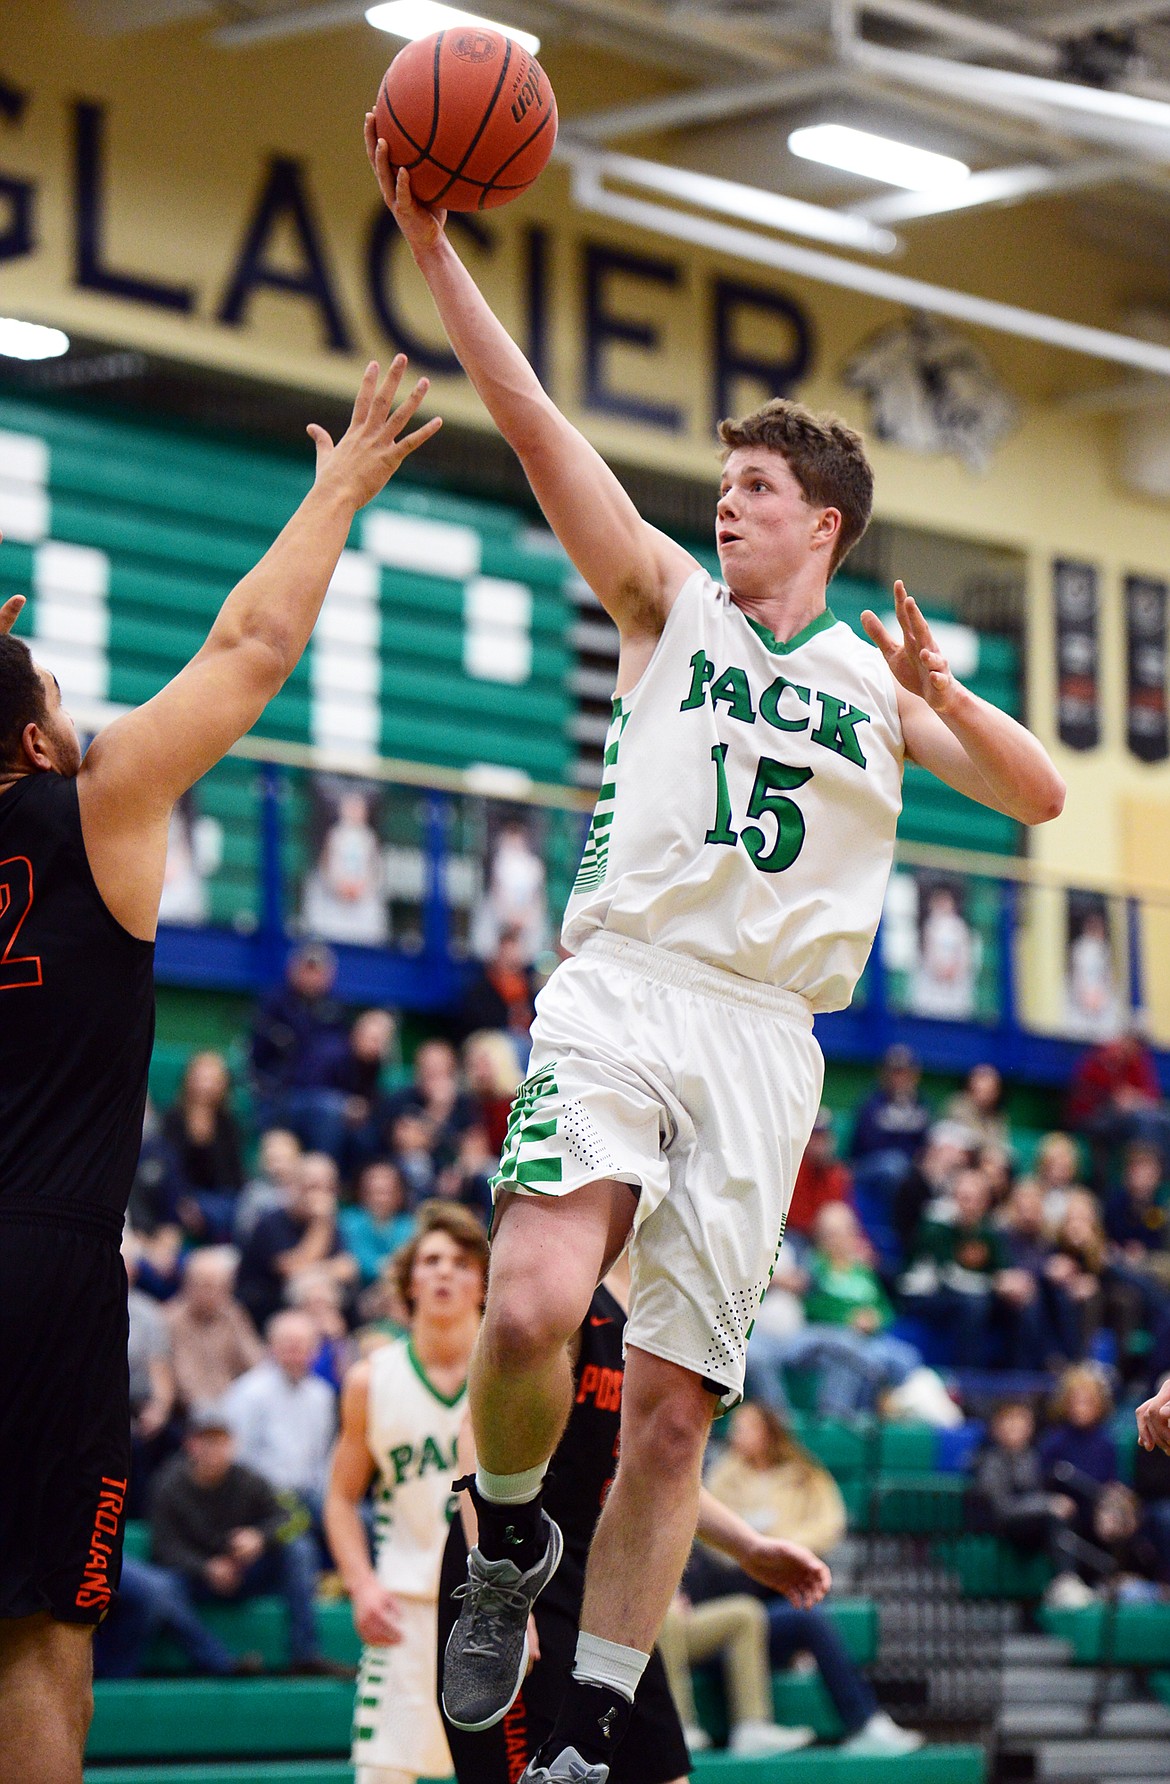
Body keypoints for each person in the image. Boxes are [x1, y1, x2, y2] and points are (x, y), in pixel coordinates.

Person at [365, 123, 1065, 1784]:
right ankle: (513, 1531)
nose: (725, 504)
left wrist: (944, 687)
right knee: (533, 1303)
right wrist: (442, 257)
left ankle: (596, 1716)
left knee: (678, 1407)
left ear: (820, 521)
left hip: (768, 1036)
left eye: (755, 488)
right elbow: (538, 428)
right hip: (627, 985)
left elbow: (1037, 792)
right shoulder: (670, 602)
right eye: (724, 486)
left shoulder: (884, 689)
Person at [0, 364, 434, 1774]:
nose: (75, 709)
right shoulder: (96, 806)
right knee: (39, 1638)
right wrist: (337, 489)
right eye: (54, 692)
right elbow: (248, 648)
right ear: (28, 739)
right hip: (42, 1266)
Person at [437, 1250, 831, 1784]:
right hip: (527, 1570)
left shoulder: (664, 1310)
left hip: (612, 1575)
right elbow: (477, 1435)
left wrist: (749, 1547)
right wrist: (498, 1586)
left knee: (662, 1770)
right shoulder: (577, 1296)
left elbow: (661, 1475)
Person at [324, 1203, 489, 1784]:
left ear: (484, 1283)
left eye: (463, 1263)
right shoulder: (371, 1380)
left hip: (493, 1612)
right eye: (432, 1261)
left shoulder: (513, 1377)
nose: (445, 1272)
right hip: (404, 1608)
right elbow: (341, 1498)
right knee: (383, 1775)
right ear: (409, 1281)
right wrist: (362, 1584)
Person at [701, 1403, 923, 1754]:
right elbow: (710, 1544)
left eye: (746, 1427)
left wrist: (782, 1544)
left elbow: (829, 1522)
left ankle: (861, 1721)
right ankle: (861, 1719)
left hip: (780, 1583)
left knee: (807, 1593)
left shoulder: (805, 1472)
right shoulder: (719, 1477)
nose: (735, 1435)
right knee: (793, 1605)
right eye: (736, 1427)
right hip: (735, 1594)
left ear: (768, 1432)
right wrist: (754, 1548)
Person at [149, 1406, 345, 1678]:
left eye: (220, 1441)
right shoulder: (168, 1485)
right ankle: (221, 1664)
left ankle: (305, 1655)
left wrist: (259, 1538)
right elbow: (163, 1548)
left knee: (298, 1550)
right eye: (206, 1441)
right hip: (196, 1580)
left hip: (246, 1573)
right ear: (191, 1445)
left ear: (232, 1444)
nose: (213, 1449)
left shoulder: (248, 1480)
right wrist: (205, 1568)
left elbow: (292, 1517)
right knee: (160, 1589)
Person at [222, 1309, 338, 1526]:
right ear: (271, 1348)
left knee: (361, 1522)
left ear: (315, 1351)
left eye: (302, 1347)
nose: (295, 1355)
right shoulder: (248, 1392)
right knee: (301, 1549)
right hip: (264, 1499)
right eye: (288, 1347)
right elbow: (237, 1458)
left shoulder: (322, 1396)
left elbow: (324, 1457)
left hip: (312, 1494)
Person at [236, 1151, 357, 1332]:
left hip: (317, 1300)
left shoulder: (332, 1222)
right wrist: (321, 1224)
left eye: (328, 1189)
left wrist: (319, 1268)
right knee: (314, 1292)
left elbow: (347, 1268)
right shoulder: (270, 1223)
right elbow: (291, 1270)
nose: (321, 1196)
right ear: (293, 1187)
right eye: (312, 1187)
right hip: (268, 1307)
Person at [166, 1246, 264, 1414]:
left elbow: (255, 1362)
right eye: (206, 1286)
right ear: (188, 1285)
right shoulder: (172, 1321)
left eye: (221, 1287)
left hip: (233, 1404)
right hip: (190, 1411)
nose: (214, 1294)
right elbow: (185, 1381)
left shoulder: (233, 1314)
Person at [162, 1051, 245, 1243]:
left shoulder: (228, 1123)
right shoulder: (173, 1119)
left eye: (213, 1079)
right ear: (188, 1080)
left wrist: (207, 1137)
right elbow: (169, 1170)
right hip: (184, 1196)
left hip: (223, 1198)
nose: (206, 1086)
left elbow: (231, 1178)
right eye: (201, 1078)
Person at [339, 1160, 416, 1288]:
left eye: (386, 1192)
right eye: (375, 1192)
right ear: (362, 1192)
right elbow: (355, 1258)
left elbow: (407, 1259)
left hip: (396, 1286)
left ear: (399, 1195)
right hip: (357, 1289)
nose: (380, 1199)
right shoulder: (349, 1221)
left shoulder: (409, 1225)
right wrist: (384, 1268)